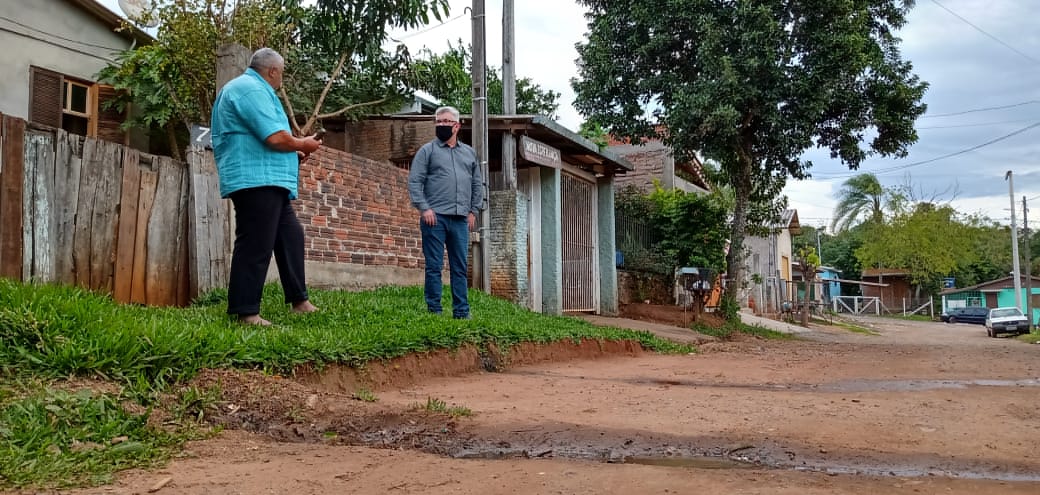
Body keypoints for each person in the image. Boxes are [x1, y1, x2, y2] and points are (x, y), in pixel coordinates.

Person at [211, 47, 322, 326]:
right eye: (281, 72)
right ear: (272, 71)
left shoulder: (254, 89)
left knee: (290, 236)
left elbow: (267, 139)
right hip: (254, 179)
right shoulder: (249, 89)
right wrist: (302, 143)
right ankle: (246, 311)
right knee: (255, 242)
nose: (281, 78)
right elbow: (274, 137)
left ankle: (300, 300)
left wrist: (294, 153)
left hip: (269, 179)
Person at [408, 106, 484, 319]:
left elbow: (477, 184)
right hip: (435, 218)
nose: (441, 125)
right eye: (438, 121)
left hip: (460, 220)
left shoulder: (469, 154)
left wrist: (473, 211)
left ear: (457, 126)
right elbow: (415, 182)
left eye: (445, 122)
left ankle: (461, 311)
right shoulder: (427, 151)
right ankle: (434, 310)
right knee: (434, 266)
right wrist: (424, 208)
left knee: (459, 267)